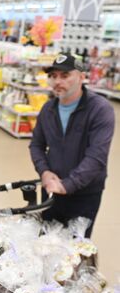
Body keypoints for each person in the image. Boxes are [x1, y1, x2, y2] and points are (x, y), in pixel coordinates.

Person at [29, 53, 115, 237]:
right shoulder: (48, 109)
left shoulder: (100, 109)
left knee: (75, 251)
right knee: (47, 245)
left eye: (65, 75)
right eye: (53, 76)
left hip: (84, 195)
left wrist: (68, 184)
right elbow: (36, 144)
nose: (57, 81)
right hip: (51, 190)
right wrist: (44, 172)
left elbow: (97, 156)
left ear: (82, 77)